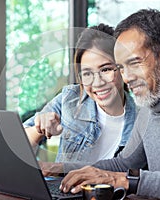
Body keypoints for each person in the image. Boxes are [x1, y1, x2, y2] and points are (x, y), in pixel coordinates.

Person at [58, 9, 160, 199]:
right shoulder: (148, 109)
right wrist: (59, 169)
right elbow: (124, 164)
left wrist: (121, 181)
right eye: (121, 67)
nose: (126, 78)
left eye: (135, 63)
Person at [24, 23, 137, 165]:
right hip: (64, 186)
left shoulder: (142, 118)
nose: (97, 83)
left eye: (106, 70)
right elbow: (17, 144)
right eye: (87, 73)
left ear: (121, 68)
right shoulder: (69, 99)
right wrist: (39, 130)